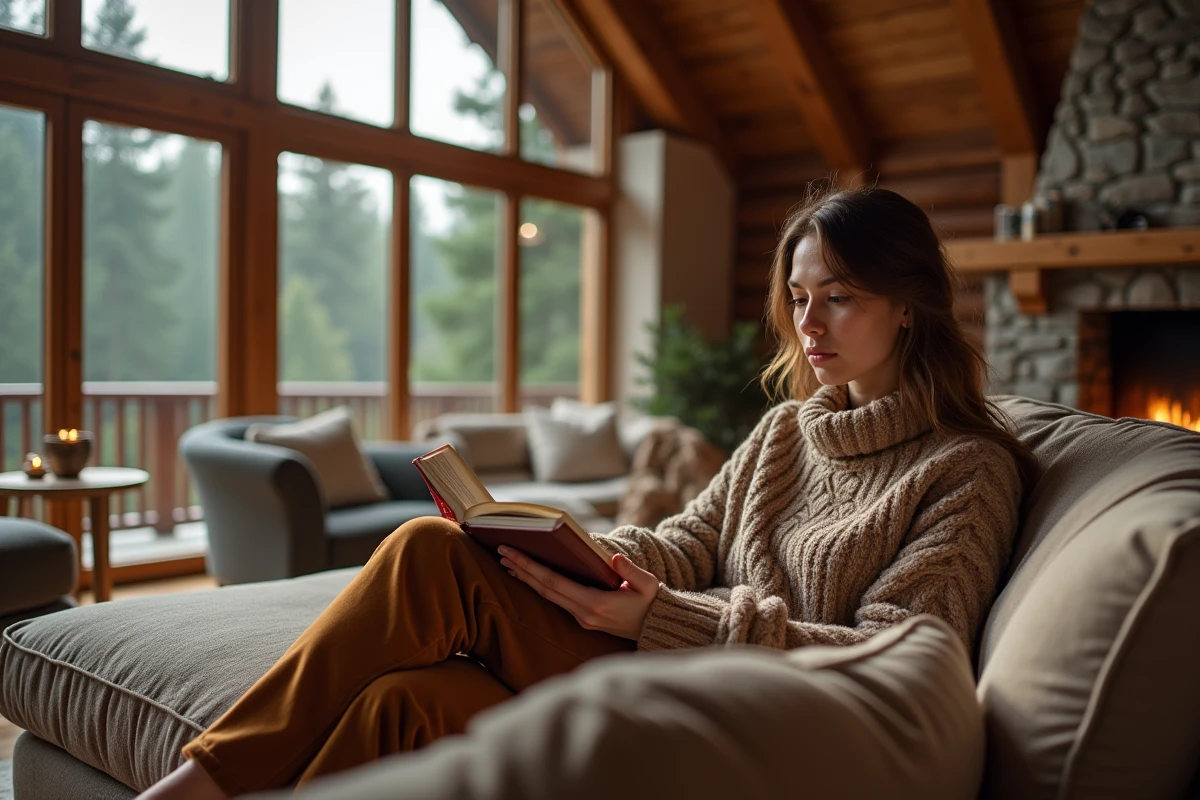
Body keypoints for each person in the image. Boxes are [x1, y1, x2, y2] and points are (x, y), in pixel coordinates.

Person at [140, 185, 1036, 799]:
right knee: (400, 706)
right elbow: (688, 541)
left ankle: (197, 785)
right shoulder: (783, 432)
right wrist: (585, 555)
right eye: (798, 298)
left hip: (749, 710)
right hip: (665, 657)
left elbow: (900, 664)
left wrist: (663, 619)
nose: (808, 324)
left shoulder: (966, 470)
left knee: (424, 552)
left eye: (837, 297)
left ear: (908, 304)